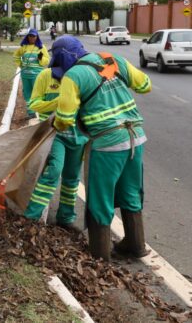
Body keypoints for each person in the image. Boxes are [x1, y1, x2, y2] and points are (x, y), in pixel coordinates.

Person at [52, 36, 152, 261]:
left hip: (107, 143)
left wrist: (55, 122)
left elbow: (65, 119)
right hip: (136, 137)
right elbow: (145, 85)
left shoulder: (73, 76)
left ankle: (100, 255)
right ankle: (136, 245)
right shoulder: (112, 59)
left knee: (100, 197)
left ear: (65, 58)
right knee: (130, 191)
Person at [23, 38, 88, 228]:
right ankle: (31, 216)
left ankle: (66, 218)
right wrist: (62, 101)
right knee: (54, 170)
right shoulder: (45, 76)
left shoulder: (81, 76)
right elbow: (34, 104)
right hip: (54, 134)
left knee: (71, 178)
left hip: (78, 136)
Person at [13, 28, 49, 119]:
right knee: (27, 94)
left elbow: (46, 61)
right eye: (30, 36)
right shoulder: (23, 47)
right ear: (27, 37)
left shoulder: (41, 47)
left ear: (37, 37)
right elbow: (16, 56)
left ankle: (42, 112)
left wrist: (39, 57)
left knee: (37, 94)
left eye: (34, 36)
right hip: (25, 75)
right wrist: (20, 64)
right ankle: (31, 113)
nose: (32, 38)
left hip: (37, 75)